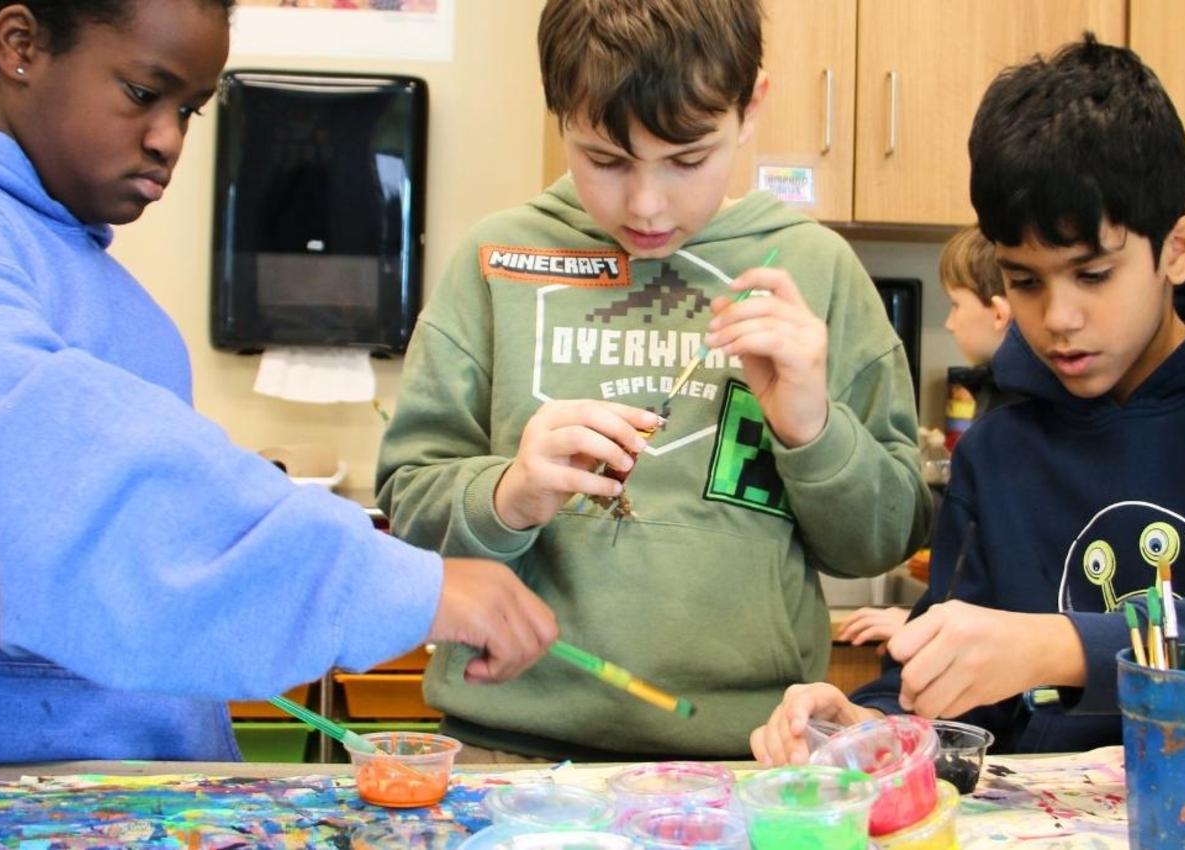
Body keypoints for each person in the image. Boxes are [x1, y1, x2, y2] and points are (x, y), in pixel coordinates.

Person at [0, 0, 556, 764]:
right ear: (21, 47)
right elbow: (40, 462)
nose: (169, 140)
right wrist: (385, 578)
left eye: (189, 110)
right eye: (141, 92)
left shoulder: (98, 285)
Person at [752, 34, 1185, 762]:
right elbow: (953, 677)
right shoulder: (1002, 438)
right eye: (1025, 282)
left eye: (1093, 275)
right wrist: (866, 725)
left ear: (1178, 248)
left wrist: (1057, 645)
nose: (1057, 319)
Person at [376, 0, 930, 760]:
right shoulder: (495, 257)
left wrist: (813, 429)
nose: (645, 204)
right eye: (605, 159)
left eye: (688, 158)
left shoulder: (816, 269)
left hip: (752, 758)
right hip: (507, 753)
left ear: (751, 107)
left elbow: (884, 540)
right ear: (560, 114)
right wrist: (511, 496)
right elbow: (407, 510)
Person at [836, 226, 1013, 649]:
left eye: (955, 305)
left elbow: (990, 555)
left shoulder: (1007, 424)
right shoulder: (997, 405)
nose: (949, 322)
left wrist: (928, 623)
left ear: (999, 313)